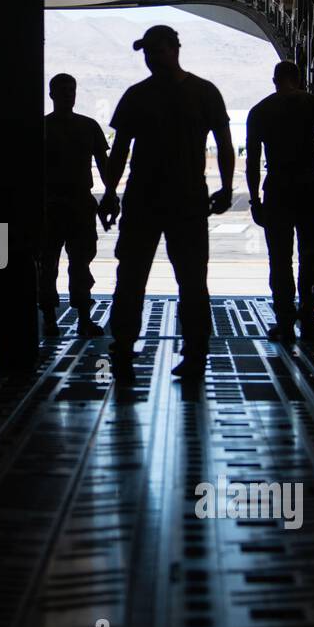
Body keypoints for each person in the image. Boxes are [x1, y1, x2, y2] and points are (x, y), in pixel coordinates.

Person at [99, 25, 234, 381]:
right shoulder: (196, 93)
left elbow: (225, 145)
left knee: (172, 279)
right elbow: (120, 150)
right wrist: (110, 191)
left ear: (174, 49)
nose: (150, 58)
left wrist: (228, 187)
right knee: (142, 278)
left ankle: (176, 353)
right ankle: (133, 350)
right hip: (170, 199)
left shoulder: (153, 95)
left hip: (166, 199)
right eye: (147, 53)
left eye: (155, 51)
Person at [245, 61, 314, 343]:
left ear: (274, 80)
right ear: (299, 80)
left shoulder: (259, 111)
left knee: (279, 260)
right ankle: (309, 320)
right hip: (307, 188)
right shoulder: (310, 102)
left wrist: (255, 200)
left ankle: (285, 323)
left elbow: (252, 162)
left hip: (277, 190)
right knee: (311, 256)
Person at [39, 73, 109, 338]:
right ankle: (70, 318)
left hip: (69, 204)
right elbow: (104, 166)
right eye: (64, 90)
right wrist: (109, 195)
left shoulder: (48, 127)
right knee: (54, 264)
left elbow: (105, 167)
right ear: (53, 94)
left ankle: (57, 318)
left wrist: (111, 193)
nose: (69, 94)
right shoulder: (87, 126)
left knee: (75, 263)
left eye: (71, 89)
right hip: (62, 205)